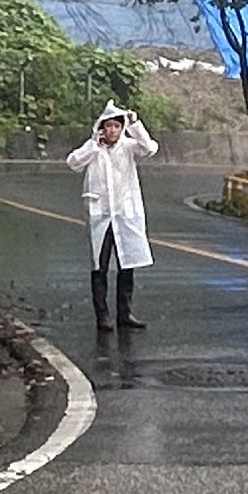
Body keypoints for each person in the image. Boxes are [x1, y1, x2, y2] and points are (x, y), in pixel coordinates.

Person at [68, 100, 157, 337]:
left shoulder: (128, 147)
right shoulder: (94, 149)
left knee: (127, 264)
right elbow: (73, 162)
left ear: (122, 128)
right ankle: (102, 315)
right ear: (101, 128)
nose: (112, 131)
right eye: (108, 126)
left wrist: (136, 125)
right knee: (100, 265)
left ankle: (125, 313)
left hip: (125, 214)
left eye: (117, 126)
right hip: (101, 216)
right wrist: (92, 146)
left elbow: (149, 148)